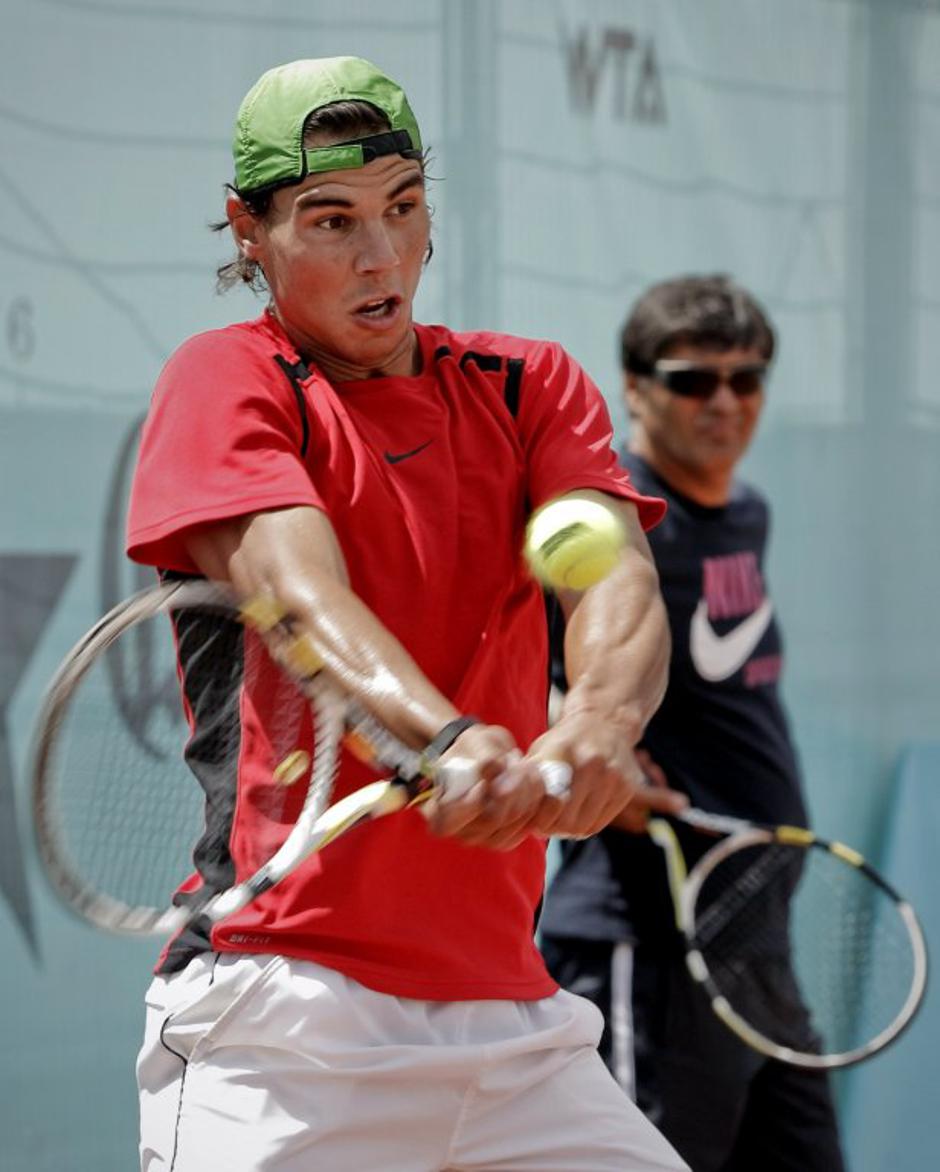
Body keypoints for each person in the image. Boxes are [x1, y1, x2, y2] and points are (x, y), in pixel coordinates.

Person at [125, 57, 688, 1171]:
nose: (381, 255)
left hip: (516, 1027)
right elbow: (297, 598)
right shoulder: (226, 379)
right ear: (248, 230)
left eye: (404, 205)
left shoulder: (530, 385)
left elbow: (617, 580)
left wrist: (597, 728)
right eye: (331, 220)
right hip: (281, 1018)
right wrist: (443, 740)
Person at [540, 274, 846, 1171]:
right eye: (693, 380)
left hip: (755, 939)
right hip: (647, 944)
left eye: (746, 379)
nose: (724, 402)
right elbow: (507, 673)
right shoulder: (605, 517)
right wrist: (592, 744)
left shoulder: (745, 513)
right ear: (635, 388)